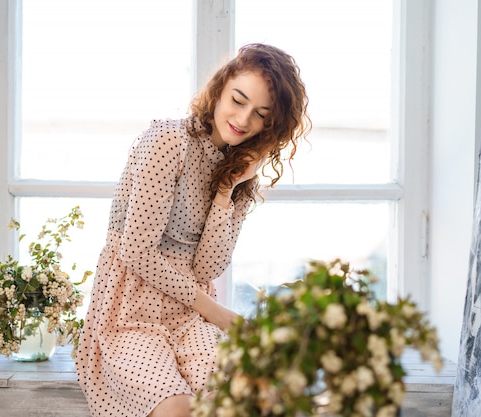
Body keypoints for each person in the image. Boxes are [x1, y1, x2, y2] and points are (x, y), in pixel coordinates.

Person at [75, 43, 311, 417]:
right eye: (238, 99)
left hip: (188, 316)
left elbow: (207, 269)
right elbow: (136, 253)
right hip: (130, 310)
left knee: (229, 400)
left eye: (260, 114)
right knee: (176, 408)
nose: (243, 118)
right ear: (220, 88)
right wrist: (217, 313)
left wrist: (226, 190)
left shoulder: (241, 173)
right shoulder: (168, 142)